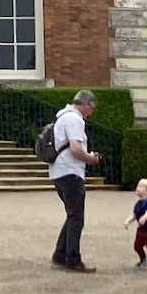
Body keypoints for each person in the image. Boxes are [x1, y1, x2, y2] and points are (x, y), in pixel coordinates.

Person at [48, 89, 103, 272]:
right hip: (70, 171)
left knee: (72, 215)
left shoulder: (62, 116)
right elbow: (76, 149)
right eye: (92, 108)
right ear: (86, 104)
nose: (91, 113)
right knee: (76, 217)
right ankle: (72, 258)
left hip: (59, 171)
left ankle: (60, 254)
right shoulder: (74, 119)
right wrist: (91, 159)